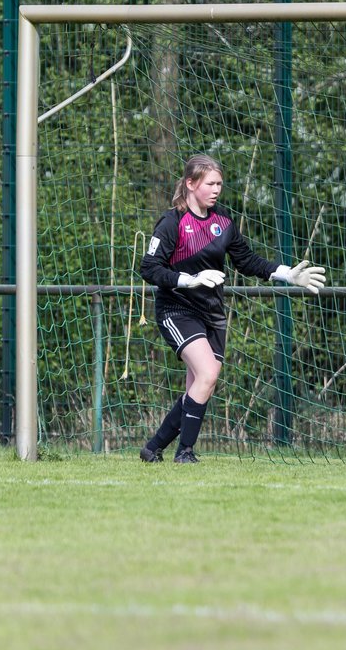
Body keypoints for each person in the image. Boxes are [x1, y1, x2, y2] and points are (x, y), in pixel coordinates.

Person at [138, 154, 328, 463]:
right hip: (177, 309)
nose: (216, 190)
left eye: (219, 184)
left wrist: (287, 274)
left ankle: (153, 448)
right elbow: (149, 268)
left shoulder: (223, 221)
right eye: (210, 183)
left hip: (212, 314)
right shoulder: (172, 222)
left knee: (201, 385)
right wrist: (188, 280)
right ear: (190, 183)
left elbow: (247, 260)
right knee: (209, 373)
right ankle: (185, 452)